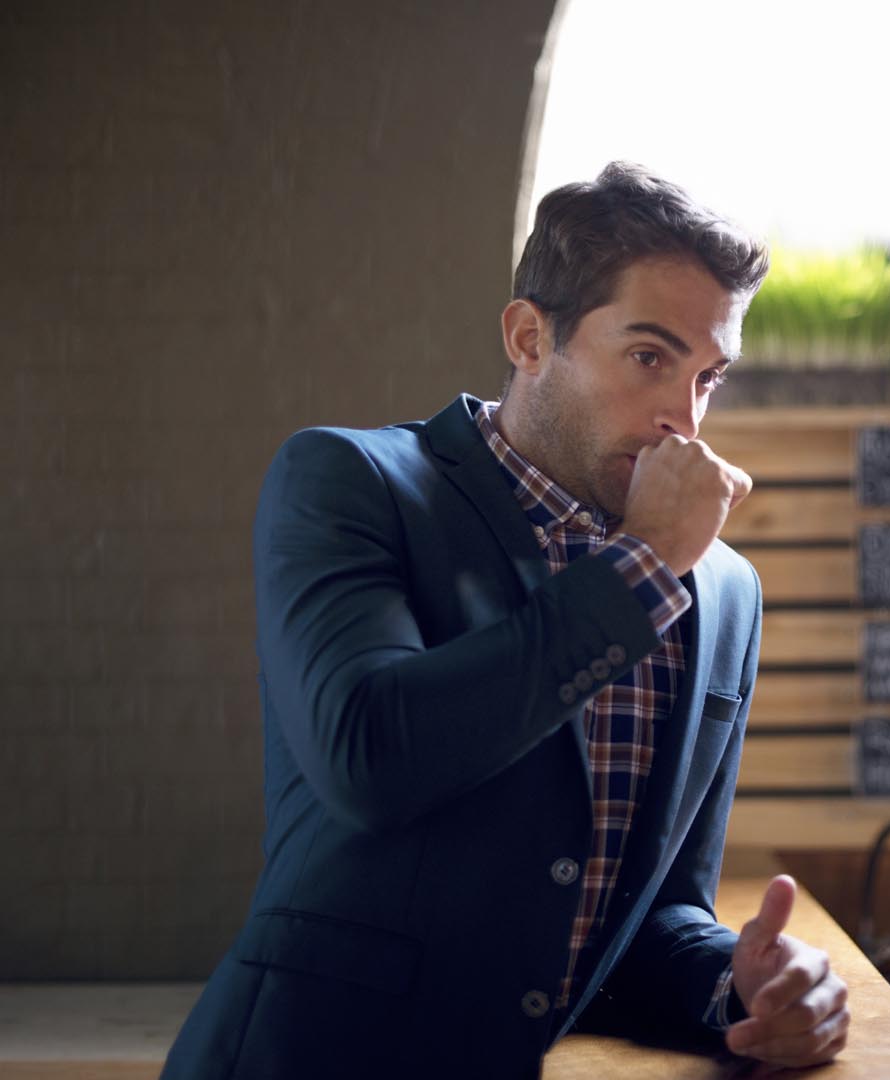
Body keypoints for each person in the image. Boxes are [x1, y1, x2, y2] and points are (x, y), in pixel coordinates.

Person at [162, 162, 849, 1078]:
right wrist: (643, 563)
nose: (683, 421)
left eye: (709, 377)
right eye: (649, 358)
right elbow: (372, 757)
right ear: (531, 337)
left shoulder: (723, 591)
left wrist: (743, 987)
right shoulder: (349, 482)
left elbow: (649, 918)